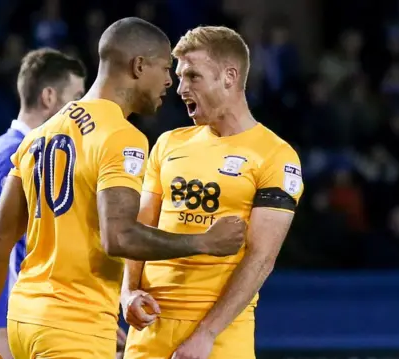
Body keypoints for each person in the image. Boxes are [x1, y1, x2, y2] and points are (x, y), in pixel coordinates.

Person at [0, 18, 246, 359]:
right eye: (165, 68)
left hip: (25, 320)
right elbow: (120, 237)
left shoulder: (42, 134)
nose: (171, 81)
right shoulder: (121, 136)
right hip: (74, 325)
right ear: (138, 66)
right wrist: (202, 242)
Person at [121, 26, 304, 359]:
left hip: (218, 340)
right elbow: (139, 231)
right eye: (178, 77)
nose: (180, 89)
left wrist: (206, 334)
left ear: (229, 77)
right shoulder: (167, 144)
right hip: (149, 332)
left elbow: (261, 259)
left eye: (193, 76)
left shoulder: (276, 156)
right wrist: (128, 292)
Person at [0, 48, 86, 358]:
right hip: (2, 331)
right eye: (77, 97)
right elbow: (0, 248)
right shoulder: (12, 156)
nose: (83, 109)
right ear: (48, 97)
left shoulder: (31, 152)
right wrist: (1, 330)